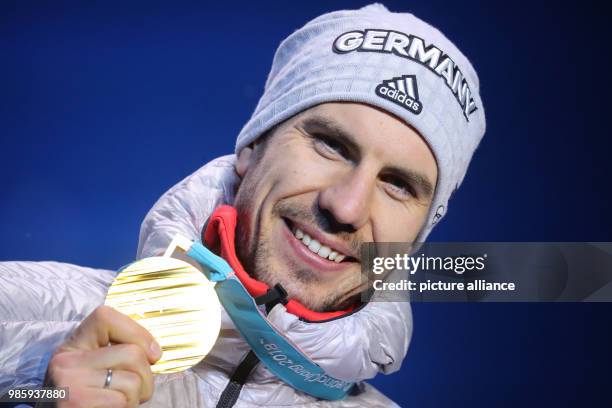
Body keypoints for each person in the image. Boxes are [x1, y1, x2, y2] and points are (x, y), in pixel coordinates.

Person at [0, 4, 485, 407]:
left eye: (398, 184)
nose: (346, 207)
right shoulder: (14, 313)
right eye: (331, 145)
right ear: (252, 147)